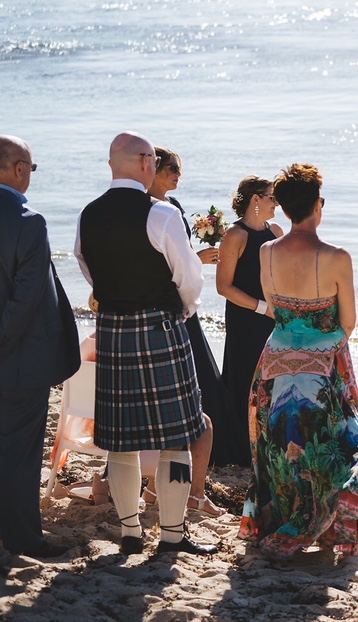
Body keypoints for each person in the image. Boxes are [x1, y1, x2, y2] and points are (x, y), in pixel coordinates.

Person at [74, 132, 213, 556]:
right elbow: (190, 278)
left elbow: (85, 265)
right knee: (175, 436)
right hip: (160, 328)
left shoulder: (88, 215)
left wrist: (117, 299)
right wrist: (180, 312)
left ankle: (131, 532)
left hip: (114, 327)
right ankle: (171, 536)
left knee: (121, 439)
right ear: (144, 163)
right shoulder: (163, 214)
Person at [237, 164, 358, 558]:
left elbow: (277, 309)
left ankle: (283, 522)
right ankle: (327, 528)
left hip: (276, 360)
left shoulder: (266, 251)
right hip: (323, 364)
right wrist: (325, 344)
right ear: (316, 205)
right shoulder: (337, 257)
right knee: (345, 447)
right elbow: (348, 322)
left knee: (279, 448)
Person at [0, 136, 81, 558]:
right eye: (31, 167)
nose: (30, 175)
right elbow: (25, 298)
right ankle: (21, 539)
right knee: (18, 452)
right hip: (16, 361)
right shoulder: (28, 221)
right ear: (17, 169)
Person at [145, 147, 229, 510]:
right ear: (154, 170)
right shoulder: (146, 210)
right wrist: (196, 261)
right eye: (172, 169)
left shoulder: (174, 207)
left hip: (184, 305)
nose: (178, 175)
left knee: (203, 380)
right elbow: (165, 266)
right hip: (170, 309)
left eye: (180, 169)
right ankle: (190, 488)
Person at [216, 175, 283, 466]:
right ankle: (244, 450)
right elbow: (223, 287)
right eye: (272, 197)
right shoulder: (235, 235)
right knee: (246, 381)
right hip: (246, 319)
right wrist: (261, 308)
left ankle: (271, 444)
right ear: (256, 199)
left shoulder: (277, 230)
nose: (277, 204)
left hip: (276, 317)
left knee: (275, 381)